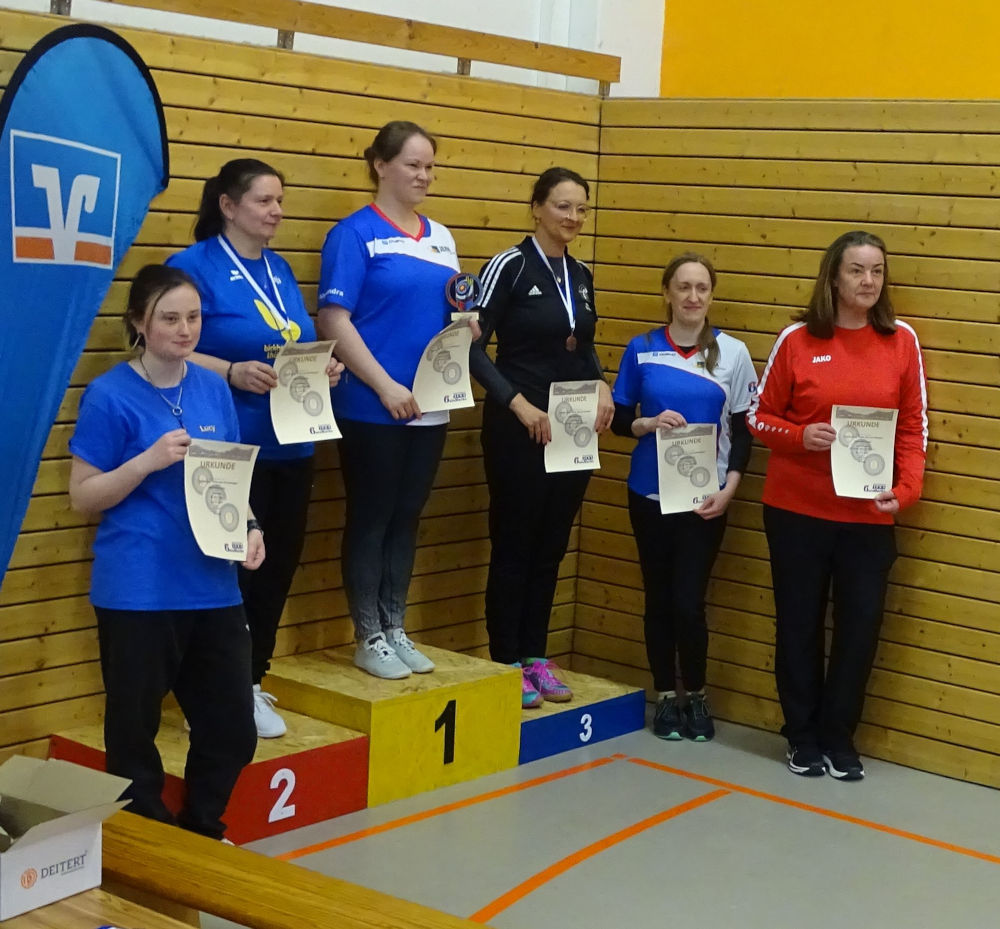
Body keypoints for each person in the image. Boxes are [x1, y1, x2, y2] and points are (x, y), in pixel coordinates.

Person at [68, 265, 264, 840]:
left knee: (232, 726)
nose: (184, 330)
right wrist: (146, 461)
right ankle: (150, 845)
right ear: (139, 323)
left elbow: (230, 479)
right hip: (139, 587)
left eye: (193, 318)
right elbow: (83, 496)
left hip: (212, 584)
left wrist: (250, 525)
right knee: (134, 734)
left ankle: (202, 829)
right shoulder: (109, 395)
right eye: (170, 318)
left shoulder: (211, 388)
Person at [167, 159, 343, 738]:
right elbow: (163, 345)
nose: (276, 212)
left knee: (275, 570)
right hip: (230, 445)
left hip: (292, 443)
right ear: (227, 205)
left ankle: (249, 681)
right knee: (229, 574)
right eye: (264, 201)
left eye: (280, 201)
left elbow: (293, 342)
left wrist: (323, 370)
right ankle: (211, 692)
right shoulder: (192, 267)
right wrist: (230, 371)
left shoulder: (279, 268)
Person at [748, 230, 927, 780]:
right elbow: (758, 418)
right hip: (797, 513)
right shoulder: (798, 338)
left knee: (859, 629)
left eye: (877, 271)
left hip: (868, 518)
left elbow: (913, 428)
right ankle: (801, 736)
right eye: (857, 270)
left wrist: (906, 490)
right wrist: (800, 437)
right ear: (833, 276)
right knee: (798, 625)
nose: (868, 281)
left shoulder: (901, 341)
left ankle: (838, 738)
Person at [317, 120, 463, 680]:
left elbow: (450, 311)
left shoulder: (442, 237)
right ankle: (368, 636)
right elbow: (334, 319)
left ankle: (395, 626)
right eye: (413, 165)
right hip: (372, 406)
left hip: (431, 405)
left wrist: (467, 326)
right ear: (380, 165)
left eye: (430, 166)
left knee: (407, 517)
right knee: (372, 517)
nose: (424, 176)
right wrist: (384, 385)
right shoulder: (354, 234)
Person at [470, 167, 614, 708]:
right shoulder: (509, 265)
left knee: (551, 547)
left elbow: (582, 346)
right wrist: (518, 404)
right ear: (536, 207)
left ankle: (535, 655)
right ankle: (506, 660)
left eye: (581, 209)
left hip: (570, 430)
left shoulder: (581, 273)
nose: (573, 217)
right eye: (562, 206)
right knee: (515, 544)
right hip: (519, 425)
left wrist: (602, 382)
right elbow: (469, 347)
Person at [611, 253, 757, 741]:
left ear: (711, 296)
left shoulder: (733, 353)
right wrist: (647, 423)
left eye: (702, 288)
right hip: (648, 495)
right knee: (658, 599)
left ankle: (695, 692)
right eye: (684, 287)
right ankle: (665, 697)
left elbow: (744, 430)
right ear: (667, 293)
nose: (693, 297)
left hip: (704, 501)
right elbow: (619, 419)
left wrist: (730, 488)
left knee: (689, 602)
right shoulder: (641, 349)